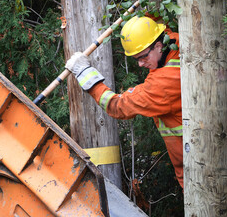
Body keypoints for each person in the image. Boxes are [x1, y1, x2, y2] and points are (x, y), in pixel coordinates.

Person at [65, 15, 183, 188]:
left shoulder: (163, 85)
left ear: (158, 46)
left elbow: (117, 106)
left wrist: (84, 73)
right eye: (136, 59)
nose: (141, 64)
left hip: (198, 169)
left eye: (143, 57)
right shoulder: (177, 43)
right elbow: (157, 24)